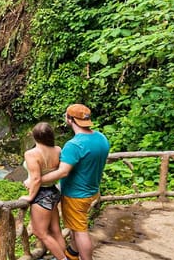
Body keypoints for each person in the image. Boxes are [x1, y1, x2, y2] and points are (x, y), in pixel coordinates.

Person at [40, 104, 110, 260]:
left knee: (80, 231)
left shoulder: (74, 145)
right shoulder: (101, 138)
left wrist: (38, 180)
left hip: (76, 195)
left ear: (70, 119)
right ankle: (72, 254)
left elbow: (63, 171)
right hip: (92, 190)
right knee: (75, 226)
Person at [19, 122, 67, 260]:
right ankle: (64, 256)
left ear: (34, 136)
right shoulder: (57, 150)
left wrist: (29, 197)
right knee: (56, 231)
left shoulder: (31, 154)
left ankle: (63, 259)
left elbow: (36, 179)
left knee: (40, 233)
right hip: (53, 191)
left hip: (41, 195)